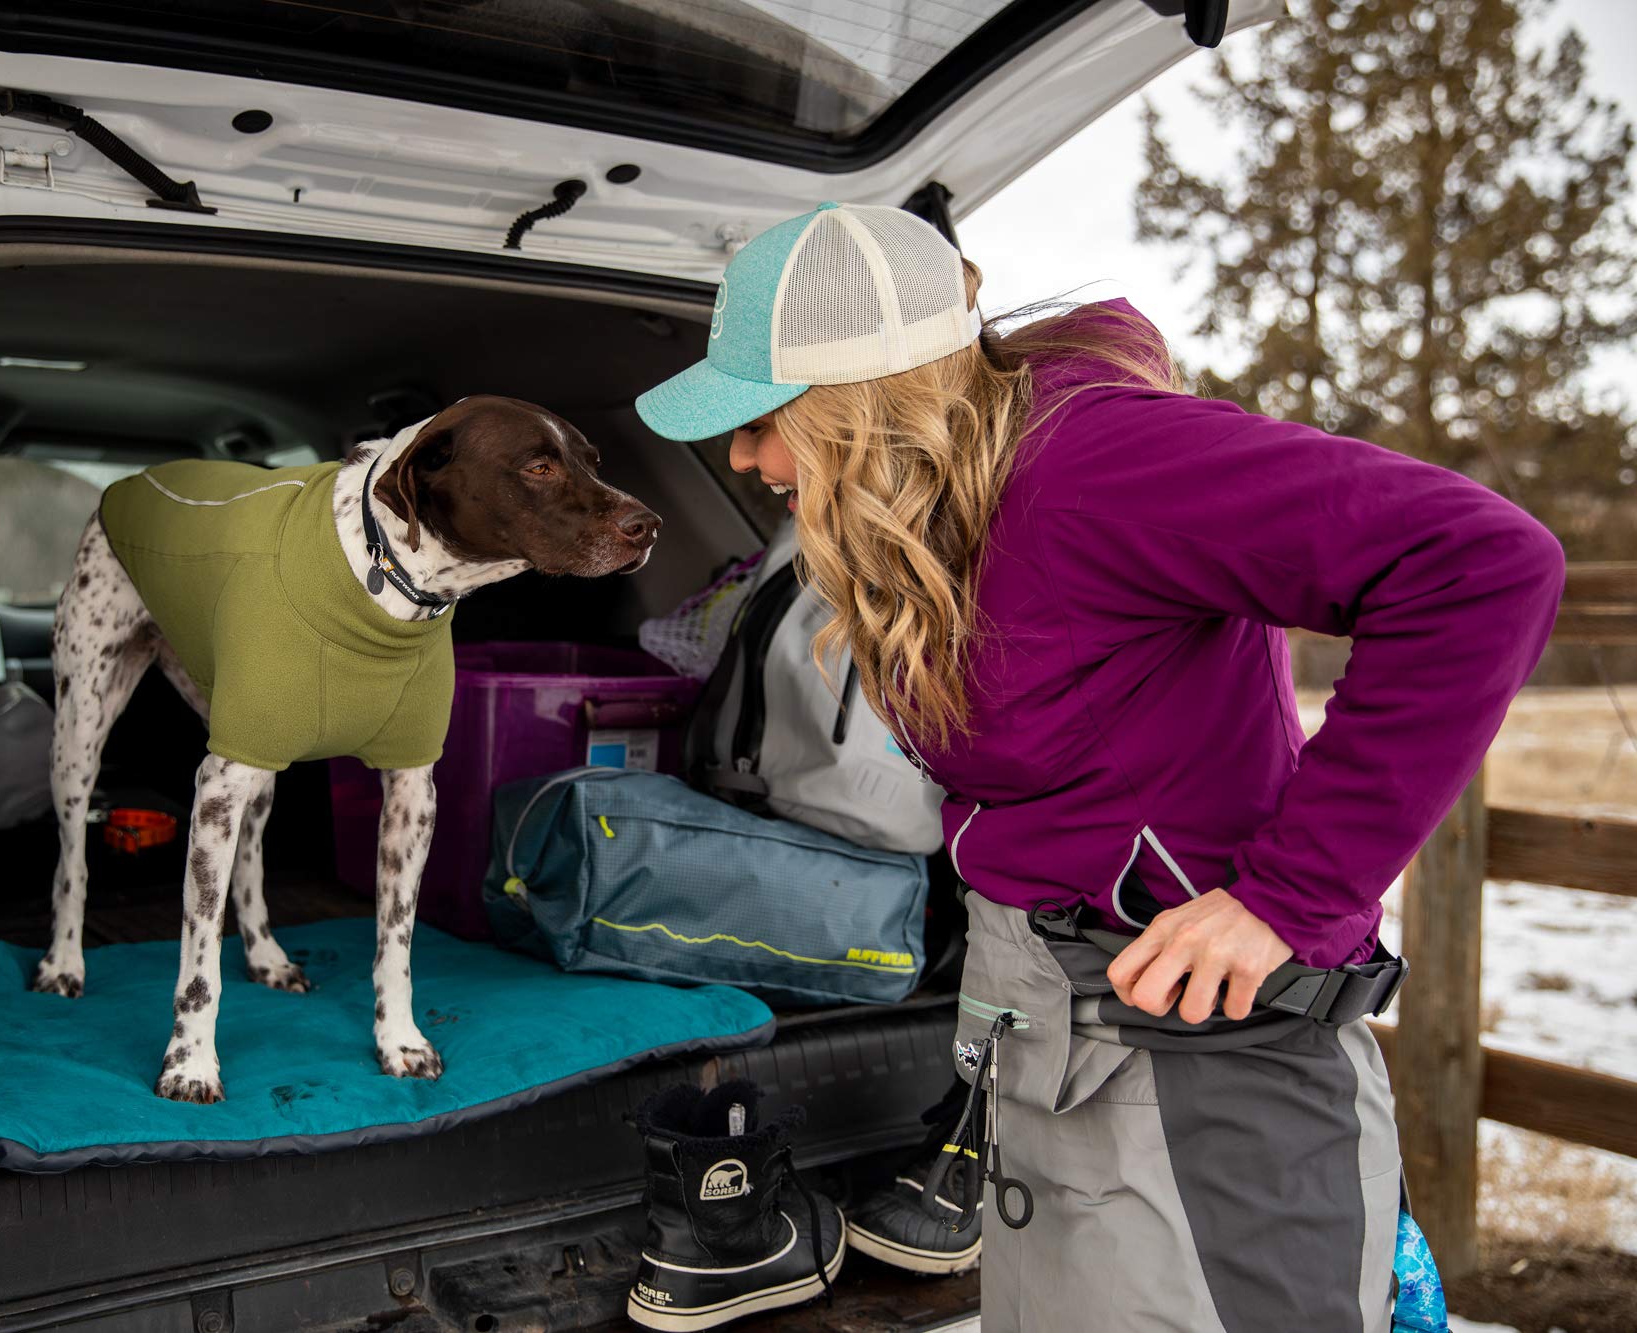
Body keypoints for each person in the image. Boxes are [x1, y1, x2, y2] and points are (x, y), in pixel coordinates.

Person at [633, 202, 1564, 1331]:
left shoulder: (1091, 463)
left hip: (1199, 1063)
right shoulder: (951, 506)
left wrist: (1291, 896)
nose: (742, 456)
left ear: (855, 406)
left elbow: (1479, 563)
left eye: (762, 417)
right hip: (1049, 1031)